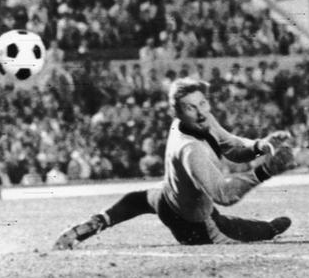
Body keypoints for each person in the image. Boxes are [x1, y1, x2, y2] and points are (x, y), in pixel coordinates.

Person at [53, 78, 296, 249]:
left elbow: (230, 144)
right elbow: (224, 194)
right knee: (257, 230)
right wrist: (265, 170)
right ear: (177, 112)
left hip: (164, 199)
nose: (201, 112)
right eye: (191, 107)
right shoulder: (190, 149)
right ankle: (268, 229)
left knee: (137, 200)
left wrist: (259, 145)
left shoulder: (197, 120)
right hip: (193, 224)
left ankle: (95, 223)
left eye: (202, 103)